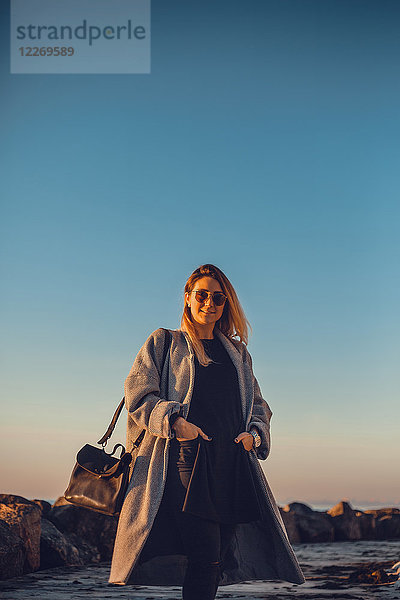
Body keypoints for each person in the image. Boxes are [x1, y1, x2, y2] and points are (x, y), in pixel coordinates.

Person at [109, 264, 305, 597]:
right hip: (187, 461)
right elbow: (138, 393)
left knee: (215, 560)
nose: (209, 303)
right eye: (202, 295)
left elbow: (259, 405)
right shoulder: (165, 342)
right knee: (204, 554)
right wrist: (176, 423)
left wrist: (254, 436)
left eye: (218, 297)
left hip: (233, 464)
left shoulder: (238, 353)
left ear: (226, 304)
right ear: (187, 298)